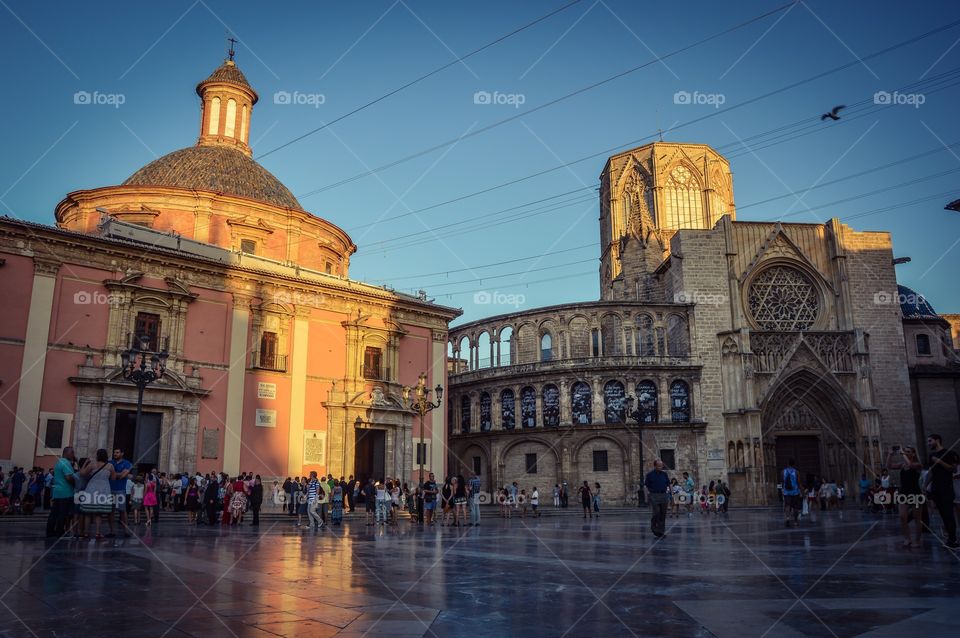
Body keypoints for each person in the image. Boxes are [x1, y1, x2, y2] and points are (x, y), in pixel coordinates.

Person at [926, 434, 959, 548]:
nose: (928, 443)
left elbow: (953, 469)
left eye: (930, 441)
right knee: (943, 514)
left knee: (949, 514)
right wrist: (925, 486)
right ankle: (950, 538)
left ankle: (953, 540)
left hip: (946, 488)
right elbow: (932, 472)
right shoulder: (931, 455)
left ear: (937, 440)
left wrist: (939, 461)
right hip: (936, 488)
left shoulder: (950, 453)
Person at [886, 445, 923, 547]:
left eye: (908, 451)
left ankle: (917, 540)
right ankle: (907, 538)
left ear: (913, 453)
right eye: (905, 451)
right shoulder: (902, 465)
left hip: (915, 493)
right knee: (902, 517)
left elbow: (910, 465)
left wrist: (902, 454)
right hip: (904, 493)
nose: (905, 453)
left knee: (917, 518)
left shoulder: (918, 465)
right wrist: (890, 455)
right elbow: (889, 466)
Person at [78, 449, 117, 541]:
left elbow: (82, 473)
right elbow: (114, 478)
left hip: (91, 489)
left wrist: (85, 463)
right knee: (99, 514)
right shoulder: (110, 466)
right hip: (104, 490)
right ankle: (97, 533)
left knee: (87, 513)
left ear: (97, 456)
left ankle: (86, 533)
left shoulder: (92, 464)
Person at [46, 447, 76, 538]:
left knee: (54, 513)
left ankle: (50, 531)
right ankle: (60, 531)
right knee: (63, 513)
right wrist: (74, 483)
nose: (73, 455)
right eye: (72, 453)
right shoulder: (66, 463)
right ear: (67, 453)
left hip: (57, 492)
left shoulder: (58, 463)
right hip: (66, 492)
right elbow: (68, 477)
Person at [107, 449, 132, 538]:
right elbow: (108, 474)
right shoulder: (109, 462)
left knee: (122, 511)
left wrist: (114, 474)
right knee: (111, 511)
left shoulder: (127, 463)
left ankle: (126, 530)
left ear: (122, 453)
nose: (115, 454)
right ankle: (112, 531)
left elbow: (123, 476)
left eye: (117, 452)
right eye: (114, 452)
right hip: (110, 489)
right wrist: (118, 474)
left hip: (121, 489)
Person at [645, 459, 670, 538]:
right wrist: (647, 497)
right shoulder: (650, 475)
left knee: (663, 514)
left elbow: (669, 484)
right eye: (659, 466)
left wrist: (671, 496)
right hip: (654, 495)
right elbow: (646, 486)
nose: (661, 467)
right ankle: (654, 527)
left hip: (663, 494)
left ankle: (661, 532)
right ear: (655, 466)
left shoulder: (664, 474)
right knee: (656, 512)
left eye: (661, 465)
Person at [782, 459, 802, 527]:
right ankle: (795, 521)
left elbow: (782, 481)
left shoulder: (783, 472)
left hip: (786, 492)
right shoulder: (796, 472)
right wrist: (802, 492)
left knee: (787, 505)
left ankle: (787, 518)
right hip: (795, 492)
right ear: (794, 464)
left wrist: (783, 490)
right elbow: (799, 483)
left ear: (788, 464)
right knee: (795, 507)